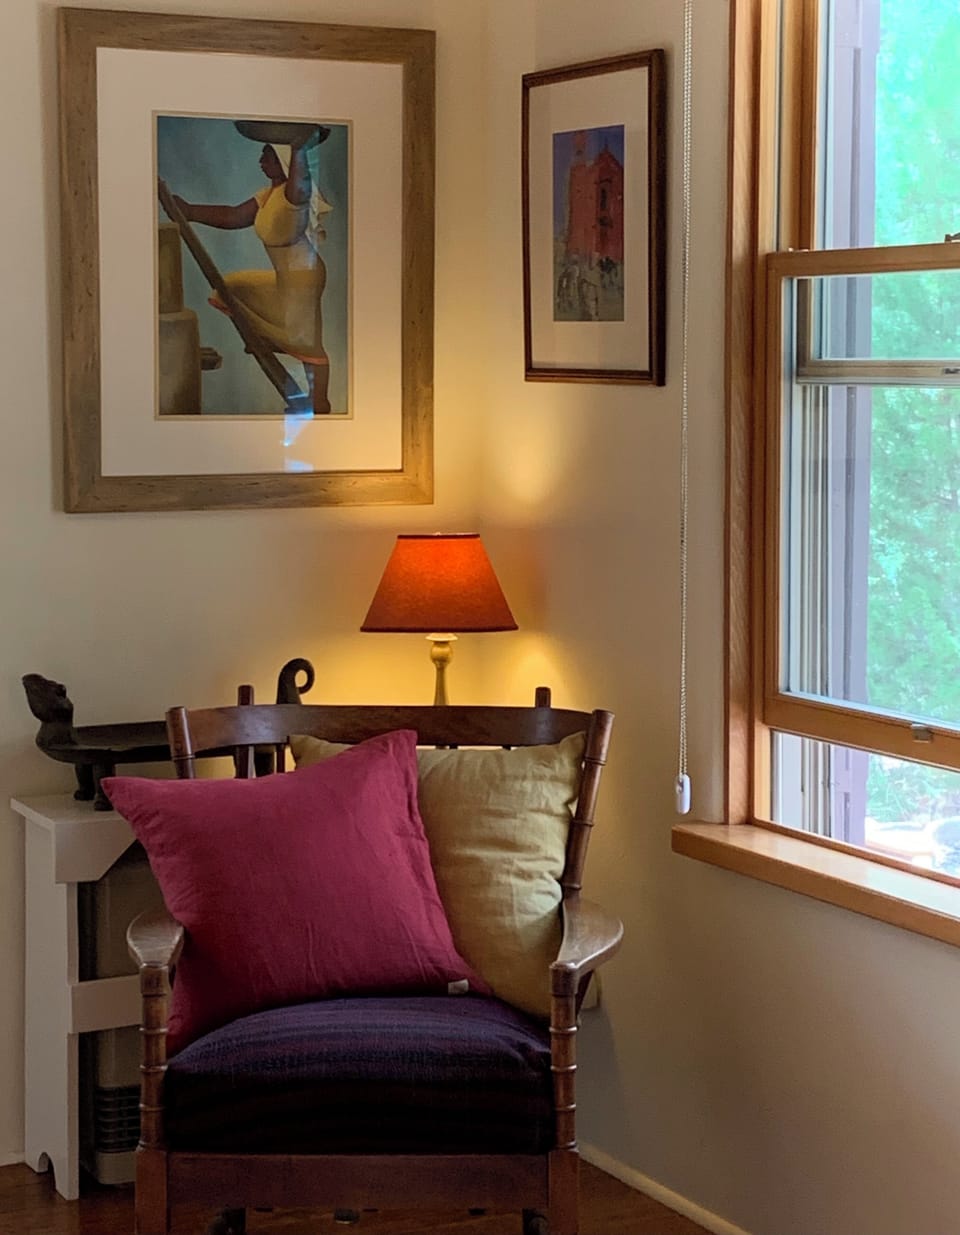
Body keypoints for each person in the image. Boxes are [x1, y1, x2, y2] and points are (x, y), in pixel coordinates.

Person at [172, 127, 333, 414]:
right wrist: (191, 211)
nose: (261, 161)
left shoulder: (294, 195)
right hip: (287, 276)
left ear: (283, 159)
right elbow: (233, 215)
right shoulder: (268, 195)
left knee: (308, 342)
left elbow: (300, 184)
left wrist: (299, 149)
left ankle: (319, 403)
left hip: (304, 277)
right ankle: (272, 341)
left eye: (267, 155)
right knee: (232, 288)